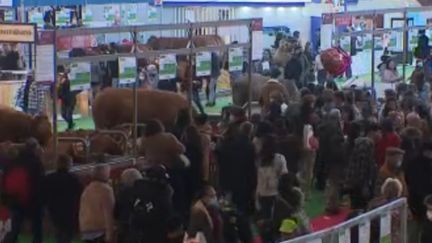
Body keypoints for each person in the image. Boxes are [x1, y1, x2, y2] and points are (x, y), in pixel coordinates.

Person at [2, 138, 45, 243]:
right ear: (35, 148)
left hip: (14, 198)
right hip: (32, 200)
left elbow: (5, 178)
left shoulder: (14, 161)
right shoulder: (36, 162)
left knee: (14, 227)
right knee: (37, 228)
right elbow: (40, 183)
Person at [216, 110, 256, 214]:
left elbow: (220, 160)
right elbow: (251, 167)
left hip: (227, 179)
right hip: (243, 181)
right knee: (241, 207)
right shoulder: (249, 146)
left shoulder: (226, 145)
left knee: (227, 205)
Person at [129, 165, 174, 243]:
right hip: (157, 230)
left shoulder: (137, 187)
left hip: (139, 230)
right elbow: (166, 211)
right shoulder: (163, 191)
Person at [44, 154, 83, 243]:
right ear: (69, 164)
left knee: (59, 233)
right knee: (67, 235)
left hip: (54, 211)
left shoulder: (49, 178)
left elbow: (43, 195)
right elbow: (80, 195)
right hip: (70, 212)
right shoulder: (74, 179)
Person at [79, 164, 115, 243]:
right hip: (100, 231)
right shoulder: (106, 190)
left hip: (86, 230)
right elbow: (108, 212)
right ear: (104, 173)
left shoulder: (86, 190)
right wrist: (110, 234)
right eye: (108, 172)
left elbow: (82, 212)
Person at [256, 135, 288, 219]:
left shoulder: (258, 159)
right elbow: (284, 173)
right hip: (276, 191)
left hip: (261, 192)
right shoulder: (280, 158)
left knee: (265, 216)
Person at [345, 137, 378, 210]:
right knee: (363, 207)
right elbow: (364, 174)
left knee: (355, 207)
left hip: (354, 186)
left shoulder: (353, 157)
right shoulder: (367, 160)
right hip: (362, 188)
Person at [114, 168, 143, 243]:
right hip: (140, 226)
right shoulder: (143, 192)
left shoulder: (122, 193)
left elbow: (116, 211)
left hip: (125, 225)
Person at [57, 67, 77, 131]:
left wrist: (64, 82)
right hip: (64, 100)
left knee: (68, 114)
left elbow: (72, 85)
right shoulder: (61, 80)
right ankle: (71, 124)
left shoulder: (70, 80)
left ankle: (70, 127)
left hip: (71, 99)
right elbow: (59, 90)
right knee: (63, 114)